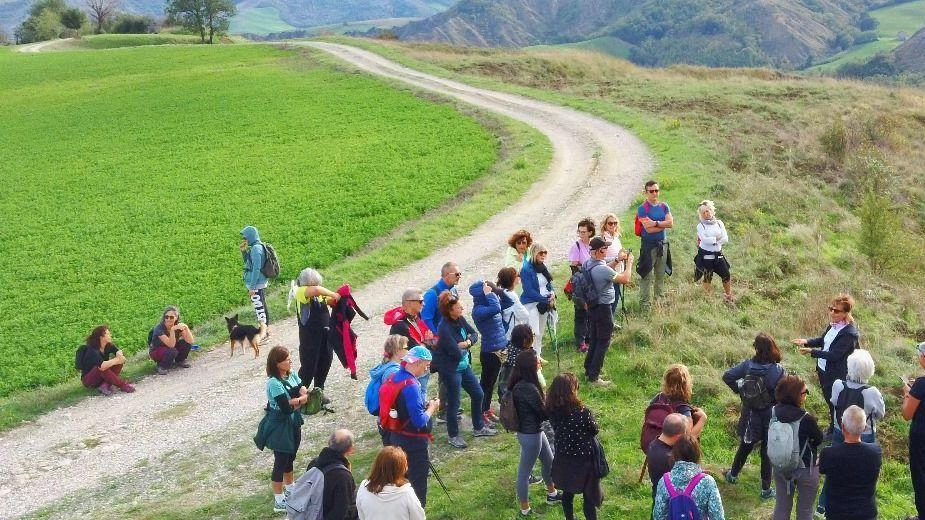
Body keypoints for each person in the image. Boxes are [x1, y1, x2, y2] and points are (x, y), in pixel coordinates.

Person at [817, 348, 885, 516]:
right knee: (864, 470)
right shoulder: (872, 392)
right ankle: (863, 501)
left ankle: (822, 504)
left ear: (849, 367)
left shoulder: (838, 385)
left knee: (835, 466)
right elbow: (880, 414)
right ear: (870, 369)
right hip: (865, 434)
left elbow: (833, 402)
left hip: (841, 430)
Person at [721, 332, 785, 499]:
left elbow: (727, 376)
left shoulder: (748, 366)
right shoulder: (778, 370)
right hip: (770, 415)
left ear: (756, 348)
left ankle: (732, 475)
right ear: (773, 348)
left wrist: (741, 391)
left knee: (745, 445)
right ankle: (765, 490)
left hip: (750, 415)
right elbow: (782, 395)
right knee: (766, 452)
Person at [432, 290, 497, 448]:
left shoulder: (459, 319)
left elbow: (474, 334)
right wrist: (464, 345)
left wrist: (466, 343)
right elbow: (455, 352)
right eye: (459, 307)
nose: (462, 308)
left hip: (463, 365)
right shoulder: (444, 328)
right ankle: (453, 436)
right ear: (450, 310)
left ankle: (478, 427)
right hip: (451, 369)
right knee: (454, 403)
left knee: (478, 393)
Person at [382, 346, 439, 506]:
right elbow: (420, 421)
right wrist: (432, 407)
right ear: (417, 363)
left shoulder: (395, 377)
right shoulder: (412, 385)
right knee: (418, 484)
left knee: (400, 480)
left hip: (396, 436)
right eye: (426, 365)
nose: (427, 368)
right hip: (413, 443)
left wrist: (423, 405)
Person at [794, 293, 859, 434]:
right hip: (824, 370)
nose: (832, 313)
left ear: (846, 313)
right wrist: (806, 341)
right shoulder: (834, 326)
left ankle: (839, 431)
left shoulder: (849, 333)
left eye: (836, 311)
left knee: (837, 403)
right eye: (831, 308)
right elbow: (823, 341)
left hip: (836, 373)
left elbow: (834, 355)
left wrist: (812, 352)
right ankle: (834, 426)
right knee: (830, 401)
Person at [255, 346, 308, 513]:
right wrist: (300, 400)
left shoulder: (291, 374)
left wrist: (296, 400)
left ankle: (291, 488)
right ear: (277, 363)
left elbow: (302, 388)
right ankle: (278, 500)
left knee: (291, 455)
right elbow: (285, 408)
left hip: (293, 422)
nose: (290, 361)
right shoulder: (273, 383)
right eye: (286, 359)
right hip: (280, 425)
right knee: (281, 460)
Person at [510, 349, 562, 515]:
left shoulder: (520, 384)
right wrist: (554, 399)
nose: (540, 363)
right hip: (531, 435)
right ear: (530, 366)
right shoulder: (529, 388)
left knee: (549, 461)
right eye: (537, 362)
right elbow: (543, 413)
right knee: (524, 474)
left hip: (533, 432)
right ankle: (525, 510)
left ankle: (552, 494)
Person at [546, 373, 602, 520]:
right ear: (572, 391)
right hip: (585, 460)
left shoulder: (552, 411)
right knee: (589, 496)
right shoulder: (583, 412)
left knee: (567, 493)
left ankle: (569, 518)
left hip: (564, 457)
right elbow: (595, 429)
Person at [770, 374, 824, 520]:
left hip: (780, 465)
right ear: (796, 396)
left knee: (781, 507)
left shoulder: (773, 412)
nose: (806, 395)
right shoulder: (806, 418)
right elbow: (819, 439)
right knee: (805, 510)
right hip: (805, 468)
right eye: (804, 392)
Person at [582, 237, 633, 386]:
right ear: (599, 251)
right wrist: (629, 263)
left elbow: (604, 270)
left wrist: (617, 260)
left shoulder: (588, 264)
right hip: (603, 308)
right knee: (603, 341)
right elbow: (625, 279)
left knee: (595, 339)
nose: (607, 250)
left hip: (593, 307)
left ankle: (589, 370)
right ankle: (594, 378)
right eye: (605, 248)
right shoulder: (601, 269)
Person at [818, 405, 882, 520]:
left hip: (836, 513)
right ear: (863, 428)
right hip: (866, 513)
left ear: (842, 427)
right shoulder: (875, 452)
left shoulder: (828, 453)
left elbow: (822, 469)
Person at [290, 267, 340, 403]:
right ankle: (295, 397)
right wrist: (333, 293)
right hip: (309, 339)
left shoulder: (318, 294)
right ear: (307, 283)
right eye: (314, 284)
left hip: (325, 335)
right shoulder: (300, 292)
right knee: (308, 368)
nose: (316, 286)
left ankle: (319, 392)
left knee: (326, 362)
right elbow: (317, 291)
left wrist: (339, 298)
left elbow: (330, 301)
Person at [652, 435, 725, 520]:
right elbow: (717, 517)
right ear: (697, 455)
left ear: (674, 455)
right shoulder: (707, 482)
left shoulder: (664, 481)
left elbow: (658, 516)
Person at [470, 279, 507, 425]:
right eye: (486, 290)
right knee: (486, 384)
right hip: (490, 352)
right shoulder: (478, 310)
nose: (490, 291)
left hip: (498, 348)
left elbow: (507, 303)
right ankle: (481, 412)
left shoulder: (490, 303)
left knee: (491, 383)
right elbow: (496, 309)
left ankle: (486, 409)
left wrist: (497, 292)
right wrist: (491, 295)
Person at [384, 287, 435, 392]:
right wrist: (428, 341)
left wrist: (427, 342)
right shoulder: (400, 325)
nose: (423, 304)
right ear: (408, 303)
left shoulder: (415, 318)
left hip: (419, 369)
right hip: (410, 373)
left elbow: (430, 340)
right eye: (420, 301)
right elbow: (418, 349)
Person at [356, 446, 425, 520]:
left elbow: (361, 515)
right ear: (400, 469)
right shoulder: (406, 494)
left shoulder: (364, 487)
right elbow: (419, 517)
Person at [305, 429, 359, 520]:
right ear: (350, 449)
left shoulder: (314, 464)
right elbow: (342, 511)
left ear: (329, 443)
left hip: (313, 513)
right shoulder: (342, 476)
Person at [636, 180, 673, 311]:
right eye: (651, 191)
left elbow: (670, 223)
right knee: (646, 275)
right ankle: (645, 306)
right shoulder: (642, 208)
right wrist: (663, 224)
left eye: (656, 190)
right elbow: (648, 229)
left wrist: (656, 223)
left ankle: (659, 303)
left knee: (660, 274)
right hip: (648, 246)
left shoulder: (664, 206)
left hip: (662, 245)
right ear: (646, 192)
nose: (654, 193)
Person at [369, 335, 408, 445]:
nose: (408, 351)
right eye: (405, 348)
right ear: (397, 351)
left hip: (384, 419)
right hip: (392, 422)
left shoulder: (384, 366)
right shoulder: (393, 373)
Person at [901, 341, 925, 520]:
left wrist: (907, 395)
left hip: (921, 438)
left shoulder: (921, 384)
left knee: (920, 476)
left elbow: (907, 414)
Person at [652, 364, 707, 438]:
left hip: (653, 445)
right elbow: (688, 438)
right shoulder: (683, 409)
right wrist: (702, 419)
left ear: (666, 381)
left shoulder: (658, 398)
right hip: (671, 449)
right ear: (686, 384)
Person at [520, 243, 555, 358]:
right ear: (534, 253)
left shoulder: (543, 266)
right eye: (541, 253)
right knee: (534, 333)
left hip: (544, 303)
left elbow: (548, 282)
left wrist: (552, 293)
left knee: (541, 332)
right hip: (532, 304)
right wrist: (545, 300)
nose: (543, 255)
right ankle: (531, 358)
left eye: (545, 252)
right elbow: (529, 291)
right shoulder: (526, 269)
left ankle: (538, 356)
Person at [694, 200, 733, 303]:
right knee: (707, 277)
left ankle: (728, 296)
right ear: (701, 215)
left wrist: (712, 239)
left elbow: (725, 238)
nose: (707, 213)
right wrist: (717, 239)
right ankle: (707, 299)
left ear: (712, 210)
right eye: (704, 212)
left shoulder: (719, 223)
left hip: (718, 255)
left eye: (709, 210)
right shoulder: (700, 226)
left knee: (726, 275)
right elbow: (704, 240)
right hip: (706, 256)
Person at [78, 325, 135, 395]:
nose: (110, 335)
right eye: (108, 334)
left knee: (117, 363)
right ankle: (122, 385)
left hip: (102, 375)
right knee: (102, 367)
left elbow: (118, 353)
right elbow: (102, 366)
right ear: (101, 337)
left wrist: (119, 355)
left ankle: (104, 385)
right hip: (89, 380)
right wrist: (117, 359)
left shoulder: (108, 345)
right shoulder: (92, 351)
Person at [568, 217, 595, 353]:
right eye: (579, 232)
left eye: (584, 232)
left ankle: (590, 338)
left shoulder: (594, 244)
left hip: (593, 284)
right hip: (580, 285)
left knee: (591, 312)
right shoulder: (576, 246)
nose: (581, 234)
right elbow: (573, 266)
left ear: (590, 232)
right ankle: (580, 342)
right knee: (580, 313)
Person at [646, 413, 690, 497]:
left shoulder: (653, 444)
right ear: (678, 436)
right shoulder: (671, 458)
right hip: (671, 501)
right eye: (685, 433)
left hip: (657, 494)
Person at [148, 305, 194, 375]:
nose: (168, 319)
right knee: (172, 351)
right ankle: (161, 366)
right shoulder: (159, 328)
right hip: (156, 351)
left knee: (185, 343)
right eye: (166, 317)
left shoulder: (178, 326)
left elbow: (190, 341)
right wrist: (172, 330)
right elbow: (171, 345)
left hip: (170, 348)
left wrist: (186, 327)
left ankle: (180, 360)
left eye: (171, 317)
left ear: (176, 318)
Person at [240, 225, 270, 331]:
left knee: (259, 308)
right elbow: (249, 264)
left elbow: (256, 269)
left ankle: (263, 332)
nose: (245, 240)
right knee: (261, 306)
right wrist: (244, 252)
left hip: (256, 283)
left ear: (251, 236)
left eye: (246, 238)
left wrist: (252, 287)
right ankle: (265, 330)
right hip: (257, 282)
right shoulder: (255, 247)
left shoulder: (256, 249)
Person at [499, 323, 537, 400]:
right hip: (521, 396)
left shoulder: (510, 348)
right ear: (525, 340)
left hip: (506, 394)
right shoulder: (526, 356)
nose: (533, 336)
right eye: (532, 335)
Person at [421, 262, 461, 333]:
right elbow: (426, 319)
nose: (459, 276)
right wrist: (437, 337)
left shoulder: (453, 290)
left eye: (460, 274)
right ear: (446, 275)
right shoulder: (432, 294)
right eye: (457, 274)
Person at [497, 267, 529, 342]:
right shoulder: (512, 295)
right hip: (511, 333)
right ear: (512, 279)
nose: (519, 277)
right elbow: (524, 315)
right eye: (518, 275)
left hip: (501, 331)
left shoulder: (499, 292)